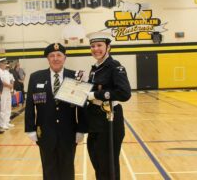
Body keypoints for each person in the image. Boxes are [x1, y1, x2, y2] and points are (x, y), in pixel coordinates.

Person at [25, 43, 87, 180]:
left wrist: (81, 129)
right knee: (48, 169)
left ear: (65, 58)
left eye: (59, 55)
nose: (55, 58)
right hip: (45, 132)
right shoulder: (36, 77)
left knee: (67, 168)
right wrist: (30, 129)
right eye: (52, 55)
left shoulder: (75, 76)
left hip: (69, 132)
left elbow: (81, 105)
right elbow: (30, 104)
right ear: (48, 58)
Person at [85, 32, 131, 180]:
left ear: (108, 47)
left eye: (99, 45)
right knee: (97, 161)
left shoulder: (114, 66)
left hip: (109, 119)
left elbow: (124, 93)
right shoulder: (96, 67)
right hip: (95, 120)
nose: (95, 49)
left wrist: (97, 95)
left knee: (108, 165)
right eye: (92, 46)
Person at [0, 58, 15, 129]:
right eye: (4, 63)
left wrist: (12, 87)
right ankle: (2, 123)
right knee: (3, 108)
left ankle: (7, 122)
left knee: (8, 107)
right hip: (2, 91)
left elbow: (11, 79)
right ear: (0, 64)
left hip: (8, 91)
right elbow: (0, 81)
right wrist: (9, 85)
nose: (5, 64)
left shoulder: (6, 72)